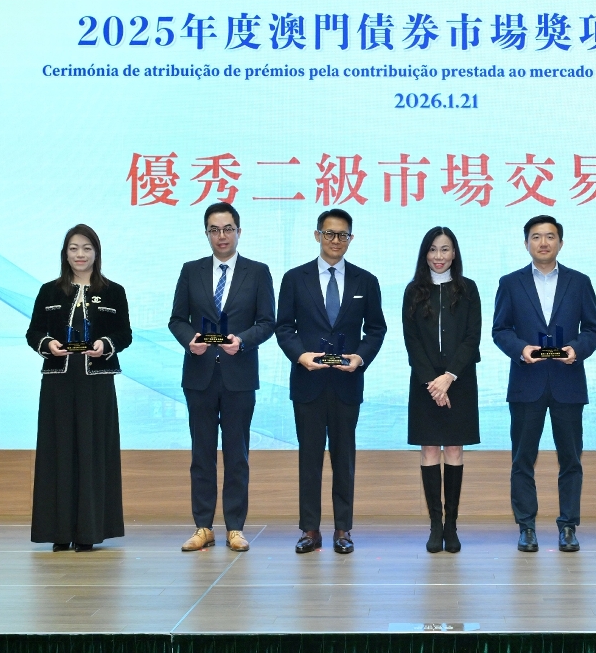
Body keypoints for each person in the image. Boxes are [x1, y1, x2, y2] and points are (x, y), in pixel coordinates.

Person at [276, 209, 387, 555]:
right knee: (309, 459)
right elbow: (284, 327)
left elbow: (376, 329)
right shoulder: (295, 278)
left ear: (350, 238)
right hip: (308, 382)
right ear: (317, 236)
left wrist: (360, 358)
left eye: (342, 235)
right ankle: (310, 530)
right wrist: (300, 356)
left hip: (346, 383)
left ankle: (343, 529)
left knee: (344, 458)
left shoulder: (366, 281)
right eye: (329, 234)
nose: (335, 240)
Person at [168, 203, 275, 553]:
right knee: (201, 455)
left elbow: (267, 322)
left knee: (236, 455)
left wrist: (242, 340)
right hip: (199, 376)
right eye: (214, 230)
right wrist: (190, 341)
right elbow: (177, 319)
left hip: (238, 376)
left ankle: (235, 528)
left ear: (239, 232)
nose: (222, 236)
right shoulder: (191, 271)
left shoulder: (258, 272)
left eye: (228, 229)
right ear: (206, 234)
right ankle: (203, 527)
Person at [492, 215, 596, 553]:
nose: (543, 242)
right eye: (536, 236)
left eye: (550, 236)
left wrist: (576, 350)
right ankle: (526, 527)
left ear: (560, 243)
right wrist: (521, 350)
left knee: (571, 460)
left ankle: (568, 526)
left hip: (568, 382)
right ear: (526, 243)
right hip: (527, 383)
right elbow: (500, 330)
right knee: (522, 459)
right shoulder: (510, 283)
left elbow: (594, 331)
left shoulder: (579, 282)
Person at [26, 224, 132, 552]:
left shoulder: (113, 292)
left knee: (93, 451)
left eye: (86, 248)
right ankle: (59, 532)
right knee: (57, 453)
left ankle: (89, 531)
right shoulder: (49, 291)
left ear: (96, 253)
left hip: (96, 383)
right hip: (58, 382)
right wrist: (48, 344)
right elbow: (33, 333)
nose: (80, 254)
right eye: (73, 248)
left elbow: (124, 334)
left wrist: (104, 344)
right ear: (65, 253)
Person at [402, 226, 482, 554]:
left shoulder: (467, 289)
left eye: (445, 249)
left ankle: (452, 525)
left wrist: (449, 377)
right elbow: (411, 341)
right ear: (425, 254)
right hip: (425, 383)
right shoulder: (413, 290)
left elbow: (472, 337)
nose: (439, 256)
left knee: (454, 450)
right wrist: (432, 382)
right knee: (430, 451)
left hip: (459, 382)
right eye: (433, 249)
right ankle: (436, 524)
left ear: (454, 253)